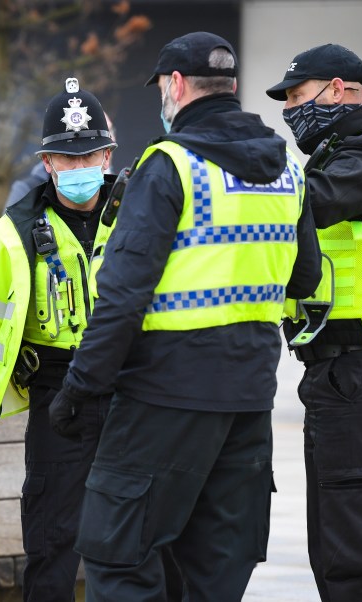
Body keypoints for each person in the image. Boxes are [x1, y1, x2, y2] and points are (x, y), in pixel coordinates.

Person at [48, 32, 321, 601]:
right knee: (214, 568)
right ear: (232, 86)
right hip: (248, 399)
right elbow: (306, 279)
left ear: (175, 86)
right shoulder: (288, 171)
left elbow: (123, 294)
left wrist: (80, 389)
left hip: (162, 397)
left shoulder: (170, 164)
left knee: (119, 554)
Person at [0, 77, 117, 601]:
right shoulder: (13, 232)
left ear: (108, 156)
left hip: (131, 390)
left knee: (135, 534)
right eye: (68, 160)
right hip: (57, 394)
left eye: (90, 156)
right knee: (51, 536)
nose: (80, 169)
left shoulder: (141, 216)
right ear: (47, 163)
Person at [266, 44, 362, 601]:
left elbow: (325, 200)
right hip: (357, 368)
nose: (291, 111)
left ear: (342, 90)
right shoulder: (350, 157)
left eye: (299, 96)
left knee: (353, 550)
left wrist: (248, 180)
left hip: (361, 370)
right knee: (341, 540)